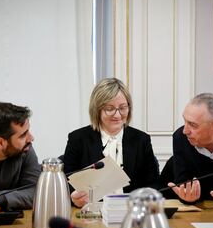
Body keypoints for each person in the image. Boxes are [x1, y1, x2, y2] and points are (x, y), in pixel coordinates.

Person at [63, 77, 160, 207]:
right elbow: (66, 182)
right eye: (110, 108)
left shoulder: (141, 140)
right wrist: (74, 197)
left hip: (131, 212)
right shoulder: (78, 139)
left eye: (123, 108)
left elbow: (153, 184)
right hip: (91, 213)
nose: (118, 115)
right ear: (97, 109)